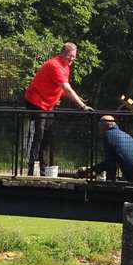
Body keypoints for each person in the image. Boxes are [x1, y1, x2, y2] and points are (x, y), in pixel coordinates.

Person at [21, 43, 92, 176]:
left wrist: (79, 99)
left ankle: (43, 169)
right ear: (63, 53)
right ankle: (30, 168)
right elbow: (67, 89)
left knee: (47, 136)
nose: (72, 59)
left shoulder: (66, 67)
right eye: (70, 56)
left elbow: (64, 88)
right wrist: (82, 107)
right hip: (36, 101)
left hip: (48, 104)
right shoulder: (55, 65)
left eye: (74, 57)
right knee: (39, 133)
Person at [85, 114, 133, 183]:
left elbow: (110, 164)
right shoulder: (124, 134)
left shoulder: (108, 136)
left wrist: (109, 184)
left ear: (102, 128)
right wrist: (93, 169)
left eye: (100, 128)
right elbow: (113, 160)